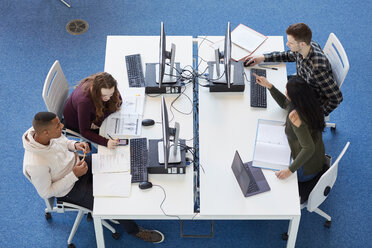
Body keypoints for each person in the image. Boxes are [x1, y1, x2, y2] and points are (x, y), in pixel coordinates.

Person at [23, 112, 164, 243]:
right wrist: (73, 175)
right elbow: (46, 192)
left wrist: (75, 145)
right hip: (69, 189)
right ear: (45, 132)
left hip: (79, 165)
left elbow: (63, 141)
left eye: (60, 123)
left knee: (117, 164)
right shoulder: (36, 164)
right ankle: (135, 231)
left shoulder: (44, 133)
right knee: (112, 202)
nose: (62, 126)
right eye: (58, 125)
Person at [245, 23, 343, 117]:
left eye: (290, 43)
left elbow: (336, 98)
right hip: (301, 83)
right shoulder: (305, 47)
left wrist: (316, 117)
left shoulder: (318, 68)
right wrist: (262, 58)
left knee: (274, 108)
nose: (287, 44)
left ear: (302, 44)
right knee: (272, 80)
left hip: (309, 98)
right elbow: (287, 55)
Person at [254, 75, 326, 182]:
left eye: (287, 92)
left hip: (307, 170)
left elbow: (309, 148)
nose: (285, 93)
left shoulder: (295, 116)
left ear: (294, 98)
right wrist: (269, 86)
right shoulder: (309, 102)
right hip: (317, 158)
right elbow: (285, 103)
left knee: (266, 174)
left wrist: (289, 171)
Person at [63, 72, 121, 149]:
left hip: (90, 113)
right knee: (112, 134)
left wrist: (100, 119)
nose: (108, 98)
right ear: (96, 91)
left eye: (111, 94)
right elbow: (84, 131)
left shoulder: (104, 85)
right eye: (104, 95)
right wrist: (106, 142)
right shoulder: (84, 102)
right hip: (76, 122)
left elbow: (118, 100)